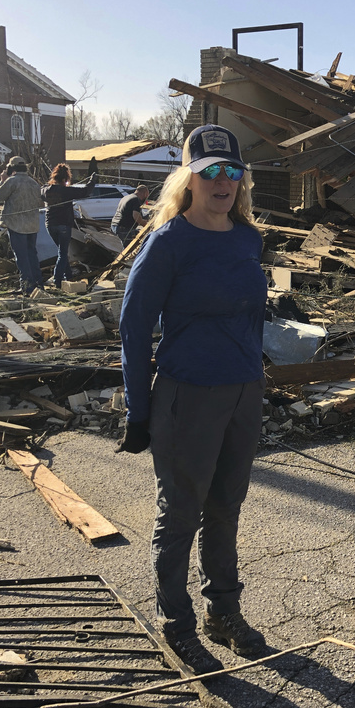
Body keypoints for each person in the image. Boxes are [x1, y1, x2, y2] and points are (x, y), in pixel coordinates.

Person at [117, 125, 267, 674]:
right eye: (210, 172)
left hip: (242, 392)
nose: (222, 181)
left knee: (226, 507)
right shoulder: (168, 242)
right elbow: (133, 330)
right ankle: (177, 623)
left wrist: (252, 378)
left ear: (241, 179)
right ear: (190, 178)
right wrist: (138, 410)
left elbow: (253, 316)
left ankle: (223, 614)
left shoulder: (248, 237)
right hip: (187, 397)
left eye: (232, 171)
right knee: (180, 514)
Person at [41, 164, 97, 289]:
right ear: (65, 179)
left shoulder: (45, 189)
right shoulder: (66, 191)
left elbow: (42, 191)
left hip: (49, 224)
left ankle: (68, 276)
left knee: (62, 253)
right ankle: (58, 279)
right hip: (63, 225)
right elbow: (85, 191)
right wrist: (92, 180)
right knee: (63, 253)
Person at [0, 156, 43, 295]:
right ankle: (38, 285)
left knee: (21, 257)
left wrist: (2, 180)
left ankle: (27, 287)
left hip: (16, 225)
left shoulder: (11, 181)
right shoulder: (34, 183)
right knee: (32, 255)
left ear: (11, 168)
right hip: (32, 225)